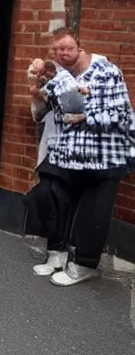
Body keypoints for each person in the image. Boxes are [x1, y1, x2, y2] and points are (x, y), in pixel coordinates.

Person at [28, 27, 135, 286]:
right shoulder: (61, 76)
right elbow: (58, 111)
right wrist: (41, 87)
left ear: (80, 47)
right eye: (56, 50)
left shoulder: (106, 72)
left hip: (104, 156)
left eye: (67, 48)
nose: (62, 54)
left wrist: (86, 116)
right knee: (51, 196)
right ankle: (58, 254)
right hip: (70, 154)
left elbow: (120, 115)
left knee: (93, 212)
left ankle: (84, 265)